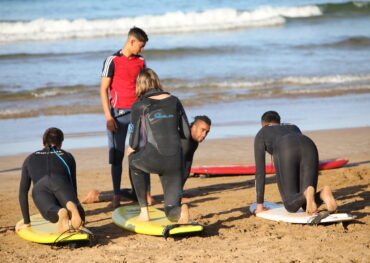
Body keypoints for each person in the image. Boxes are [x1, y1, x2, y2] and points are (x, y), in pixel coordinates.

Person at [81, 115, 211, 204]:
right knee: (140, 197)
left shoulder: (193, 142)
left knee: (138, 196)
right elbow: (171, 169)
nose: (204, 135)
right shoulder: (183, 139)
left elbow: (186, 168)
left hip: (155, 162)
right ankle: (98, 196)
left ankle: (98, 195)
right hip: (144, 159)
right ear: (193, 126)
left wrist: (178, 193)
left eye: (207, 132)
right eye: (202, 130)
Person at [127, 68, 190, 223]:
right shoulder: (175, 100)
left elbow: (133, 143)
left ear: (140, 85)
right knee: (170, 211)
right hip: (175, 160)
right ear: (156, 82)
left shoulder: (139, 106)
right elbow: (187, 133)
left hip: (155, 157)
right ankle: (180, 211)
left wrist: (132, 150)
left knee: (133, 162)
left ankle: (144, 212)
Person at [100, 26, 148, 208]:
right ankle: (116, 196)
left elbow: (146, 86)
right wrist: (108, 117)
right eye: (140, 46)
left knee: (140, 155)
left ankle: (145, 194)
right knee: (117, 157)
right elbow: (103, 89)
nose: (141, 50)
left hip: (138, 115)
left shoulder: (141, 61)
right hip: (117, 116)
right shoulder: (112, 60)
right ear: (132, 41)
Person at [254, 111, 337, 215]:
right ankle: (322, 194)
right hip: (309, 144)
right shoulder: (294, 127)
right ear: (279, 122)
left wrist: (260, 206)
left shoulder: (262, 133)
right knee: (305, 202)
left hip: (286, 148)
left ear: (263, 124)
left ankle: (307, 193)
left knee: (291, 206)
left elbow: (260, 172)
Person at [17, 128, 85, 233]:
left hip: (40, 187)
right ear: (61, 144)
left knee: (50, 211)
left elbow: (22, 193)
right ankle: (70, 206)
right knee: (71, 204)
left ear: (43, 142)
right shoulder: (68, 156)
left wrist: (27, 222)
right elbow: (72, 185)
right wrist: (78, 208)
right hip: (60, 182)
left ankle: (59, 212)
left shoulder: (29, 159)